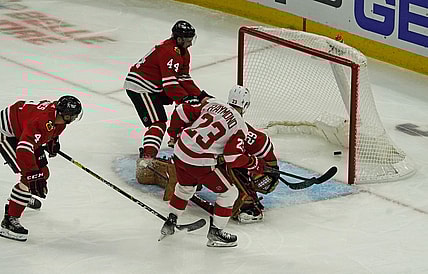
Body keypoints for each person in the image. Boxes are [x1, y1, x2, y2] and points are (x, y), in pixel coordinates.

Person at [159, 85, 265, 247]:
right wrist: (253, 163)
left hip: (181, 150)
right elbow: (232, 157)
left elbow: (181, 111)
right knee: (230, 193)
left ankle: (170, 222)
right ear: (246, 105)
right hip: (199, 160)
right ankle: (216, 233)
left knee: (186, 186)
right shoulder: (240, 125)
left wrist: (174, 134)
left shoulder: (213, 104)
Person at [124, 20, 210, 163]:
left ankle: (175, 138)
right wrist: (186, 98)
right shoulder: (169, 51)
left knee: (185, 103)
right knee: (158, 122)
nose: (190, 43)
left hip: (155, 86)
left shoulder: (183, 53)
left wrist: (201, 96)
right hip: (141, 87)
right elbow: (170, 85)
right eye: (188, 40)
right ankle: (148, 158)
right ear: (179, 39)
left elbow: (183, 79)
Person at [0, 95, 82, 241]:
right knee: (29, 176)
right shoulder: (42, 121)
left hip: (24, 131)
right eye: (73, 116)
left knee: (43, 173)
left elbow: (49, 129)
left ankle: (22, 196)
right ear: (66, 115)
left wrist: (52, 141)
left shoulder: (59, 117)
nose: (74, 118)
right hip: (8, 134)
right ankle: (9, 219)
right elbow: (24, 148)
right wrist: (32, 174)